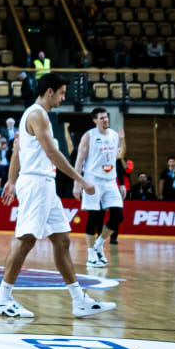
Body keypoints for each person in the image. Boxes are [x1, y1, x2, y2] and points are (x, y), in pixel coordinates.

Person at [0, 74, 115, 319]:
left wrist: (11, 180)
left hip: (44, 184)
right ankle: (2, 298)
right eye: (61, 93)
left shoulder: (35, 115)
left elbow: (17, 149)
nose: (63, 97)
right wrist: (80, 179)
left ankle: (79, 300)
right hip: (37, 183)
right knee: (26, 240)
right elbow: (52, 153)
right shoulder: (37, 114)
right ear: (50, 92)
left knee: (61, 241)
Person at [74, 108, 125, 269]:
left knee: (118, 216)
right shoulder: (89, 136)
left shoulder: (114, 135)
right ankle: (91, 254)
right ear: (94, 120)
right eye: (102, 118)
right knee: (94, 217)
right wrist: (78, 183)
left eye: (106, 117)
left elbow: (117, 157)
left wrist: (121, 182)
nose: (105, 120)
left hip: (110, 181)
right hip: (93, 180)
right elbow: (80, 159)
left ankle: (98, 244)